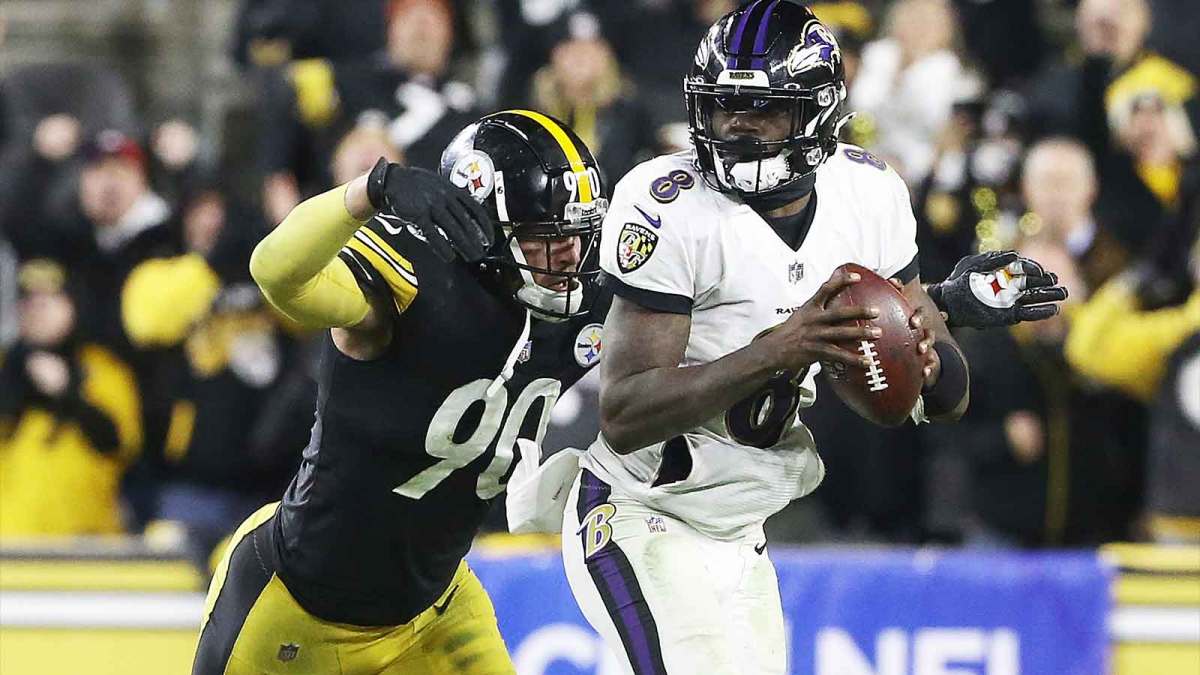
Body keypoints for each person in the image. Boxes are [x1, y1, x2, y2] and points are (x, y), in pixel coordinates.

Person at [556, 3, 1058, 672]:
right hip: (641, 513)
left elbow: (941, 398)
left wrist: (942, 314)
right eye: (723, 106)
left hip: (741, 529)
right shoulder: (667, 201)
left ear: (816, 111)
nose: (737, 126)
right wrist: (781, 348)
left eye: (764, 108)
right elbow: (624, 413)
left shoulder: (871, 194)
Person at [192, 109, 612, 674]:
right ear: (481, 229)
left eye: (578, 236)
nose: (569, 258)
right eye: (544, 239)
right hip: (297, 608)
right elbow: (276, 272)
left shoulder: (588, 298)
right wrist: (369, 189)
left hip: (435, 610)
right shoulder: (413, 280)